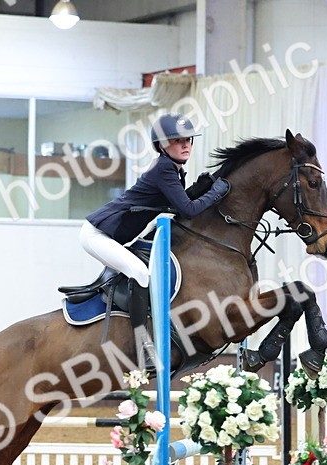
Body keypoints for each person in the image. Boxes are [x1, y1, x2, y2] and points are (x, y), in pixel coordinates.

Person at [80, 113, 230, 358]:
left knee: (139, 272)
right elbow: (188, 210)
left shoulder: (173, 169)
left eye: (188, 140)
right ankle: (142, 346)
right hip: (96, 235)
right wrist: (215, 192)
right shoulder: (164, 169)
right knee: (140, 273)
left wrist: (200, 188)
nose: (185, 145)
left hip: (114, 236)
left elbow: (177, 204)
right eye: (177, 140)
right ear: (161, 145)